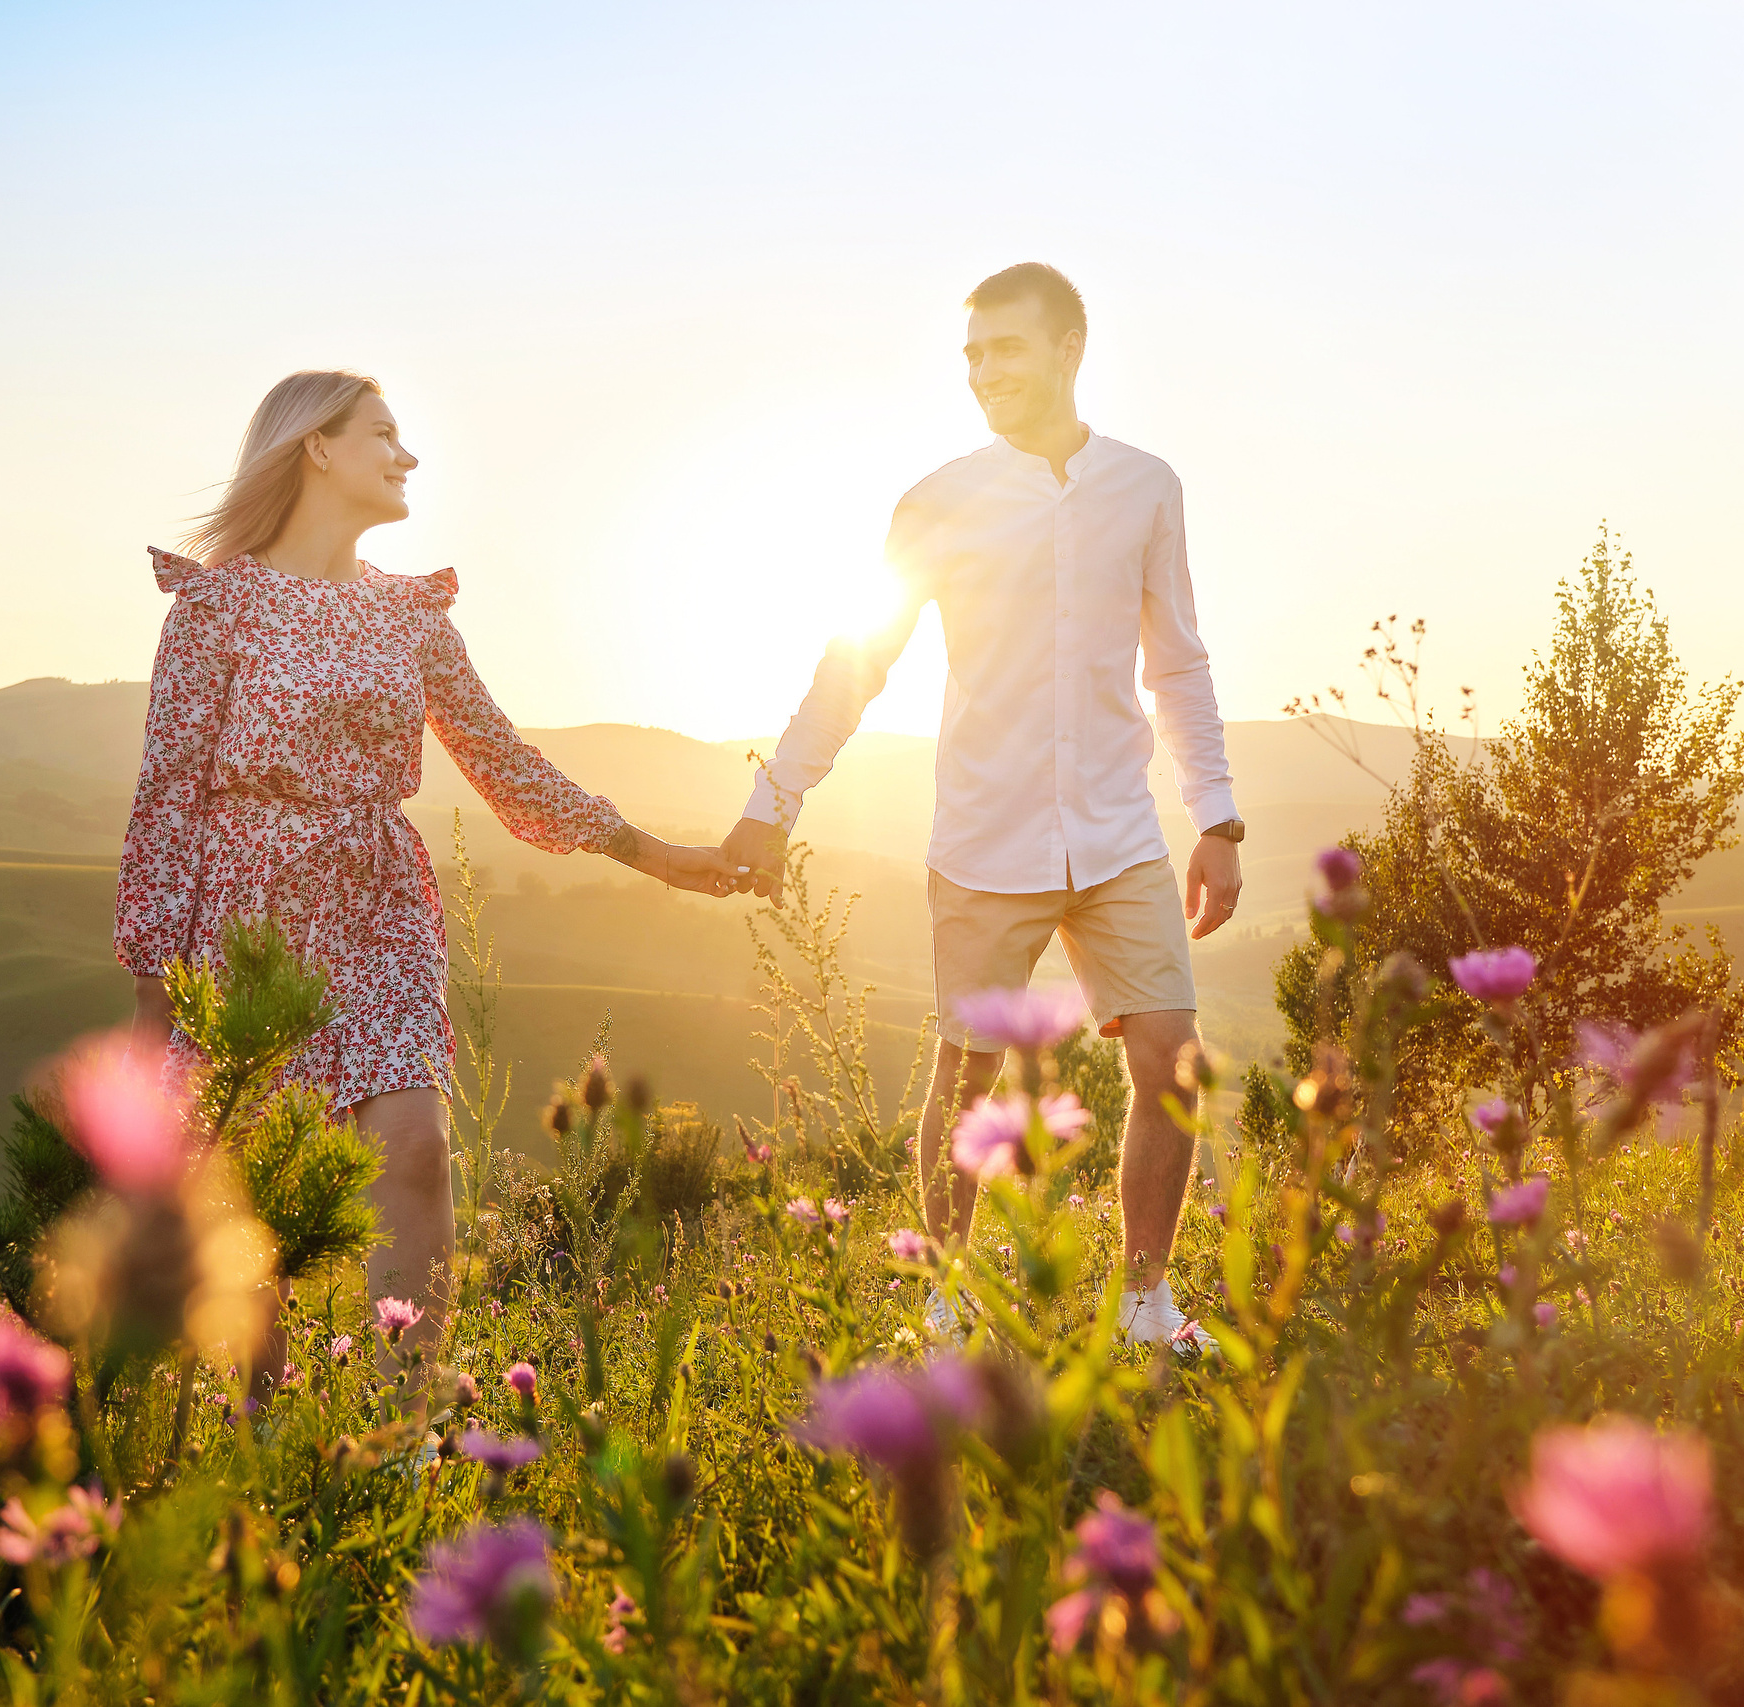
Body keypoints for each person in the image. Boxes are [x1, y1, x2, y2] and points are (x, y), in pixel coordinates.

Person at [117, 370, 732, 1366]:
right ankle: (264, 1444)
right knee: (249, 1195)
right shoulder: (214, 609)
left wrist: (652, 854)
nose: (408, 456)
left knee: (412, 1150)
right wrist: (154, 989)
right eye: (384, 434)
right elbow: (167, 799)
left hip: (379, 905)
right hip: (245, 913)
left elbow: (503, 760)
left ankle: (408, 1439)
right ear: (316, 447)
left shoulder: (410, 617)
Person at [721, 265, 1243, 1350]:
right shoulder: (938, 500)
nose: (984, 372)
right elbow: (857, 660)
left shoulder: (1146, 487)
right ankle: (946, 1301)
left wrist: (1219, 817)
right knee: (967, 1076)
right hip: (984, 836)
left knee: (1169, 1061)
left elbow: (1177, 663)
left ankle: (1146, 1302)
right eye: (971, 355)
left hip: (1118, 832)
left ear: (1068, 350)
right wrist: (775, 800)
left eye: (1005, 348)